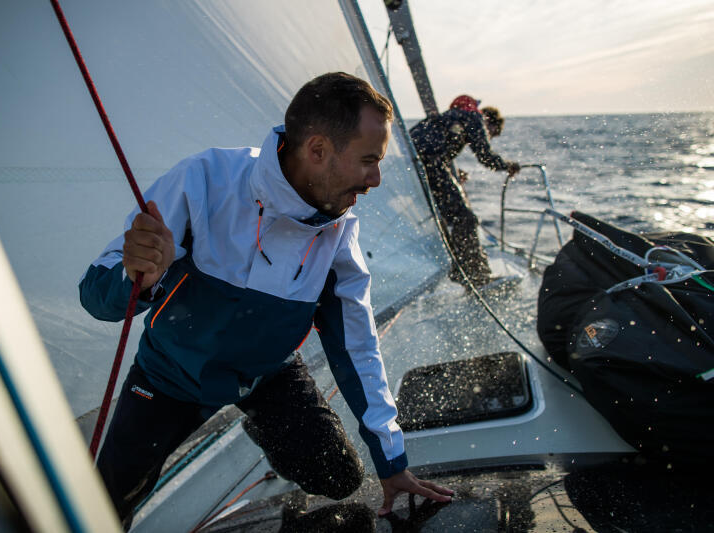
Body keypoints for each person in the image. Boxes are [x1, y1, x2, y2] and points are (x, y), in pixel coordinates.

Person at [79, 72, 454, 528]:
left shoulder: (339, 232)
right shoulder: (204, 181)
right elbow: (97, 298)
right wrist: (135, 278)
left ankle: (259, 423)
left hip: (266, 374)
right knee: (102, 508)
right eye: (368, 160)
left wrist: (391, 461)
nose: (376, 179)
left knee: (338, 479)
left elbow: (356, 346)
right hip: (169, 376)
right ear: (317, 151)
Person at [409, 95, 520, 287]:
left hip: (412, 164)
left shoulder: (451, 117)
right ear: (489, 123)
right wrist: (508, 165)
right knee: (465, 219)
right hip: (430, 163)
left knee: (443, 218)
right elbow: (486, 156)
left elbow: (431, 147)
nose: (489, 137)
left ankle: (457, 269)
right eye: (492, 134)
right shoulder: (474, 118)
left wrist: (452, 173)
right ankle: (477, 277)